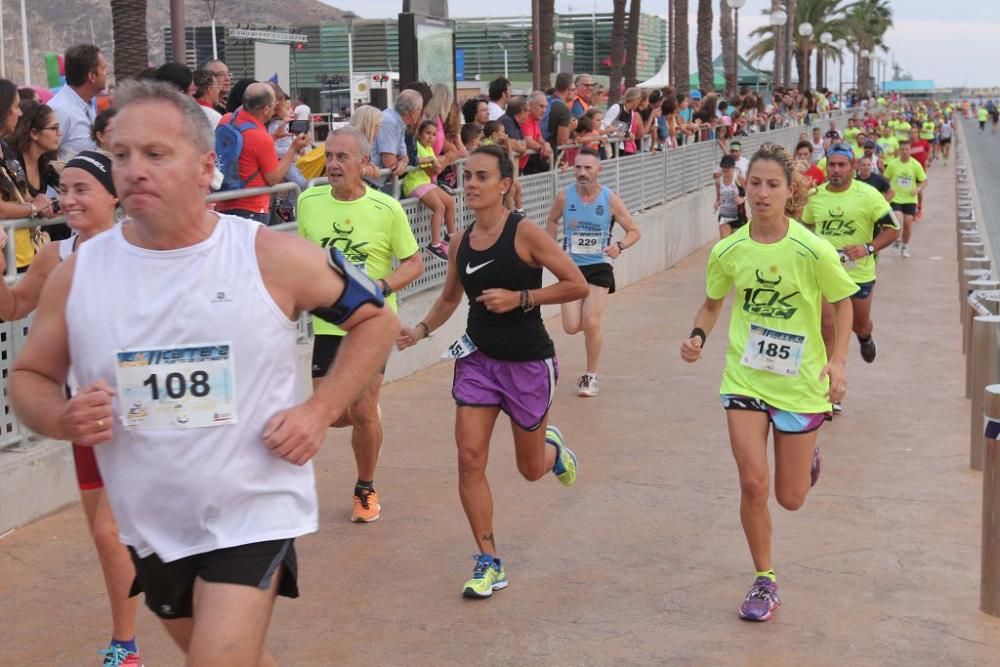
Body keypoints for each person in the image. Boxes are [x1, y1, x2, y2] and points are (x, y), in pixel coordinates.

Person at [8, 79, 398, 666]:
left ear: (204, 166)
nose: (134, 169)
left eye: (156, 154)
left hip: (252, 508)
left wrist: (319, 410)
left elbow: (376, 321)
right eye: (122, 155)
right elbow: (30, 376)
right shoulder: (78, 274)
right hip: (154, 524)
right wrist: (62, 416)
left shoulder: (267, 257)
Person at [396, 145, 587, 598]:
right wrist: (420, 330)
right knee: (468, 457)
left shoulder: (526, 234)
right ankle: (489, 560)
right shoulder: (460, 241)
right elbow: (448, 299)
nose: (471, 185)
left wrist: (521, 299)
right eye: (467, 177)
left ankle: (552, 452)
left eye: (482, 176)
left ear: (505, 185)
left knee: (529, 469)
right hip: (478, 361)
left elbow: (576, 282)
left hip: (527, 364)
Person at [680, 142, 856, 623]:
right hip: (745, 378)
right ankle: (765, 579)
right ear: (744, 187)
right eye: (754, 183)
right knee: (753, 483)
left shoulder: (811, 248)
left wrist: (838, 362)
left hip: (800, 385)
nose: (761, 193)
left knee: (790, 498)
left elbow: (843, 302)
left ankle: (808, 454)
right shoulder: (728, 249)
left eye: (772, 184)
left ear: (789, 190)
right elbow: (713, 303)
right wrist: (697, 336)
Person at [0, 151, 144, 666]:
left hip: (147, 415)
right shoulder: (55, 254)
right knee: (107, 540)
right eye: (64, 189)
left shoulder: (142, 249)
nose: (69, 199)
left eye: (83, 188)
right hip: (87, 416)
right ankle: (125, 644)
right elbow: (13, 307)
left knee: (113, 531)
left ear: (114, 195)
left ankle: (139, 640)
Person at [297, 126, 423, 523]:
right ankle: (367, 413)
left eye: (342, 158)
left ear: (363, 163)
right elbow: (305, 259)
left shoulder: (387, 209)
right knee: (332, 413)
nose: (332, 164)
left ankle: (365, 488)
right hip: (328, 323)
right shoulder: (309, 201)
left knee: (364, 409)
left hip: (371, 322)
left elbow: (414, 263)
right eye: (329, 156)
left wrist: (381, 286)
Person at [545, 148, 640, 396]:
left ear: (599, 170)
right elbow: (552, 220)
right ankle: (572, 351)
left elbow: (634, 231)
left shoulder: (609, 199)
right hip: (570, 267)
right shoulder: (564, 197)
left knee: (591, 321)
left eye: (587, 168)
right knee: (571, 325)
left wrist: (619, 246)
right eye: (578, 167)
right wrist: (551, 249)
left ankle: (590, 376)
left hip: (599, 265)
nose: (582, 173)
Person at [801, 143, 899, 378]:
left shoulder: (869, 195)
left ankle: (865, 337)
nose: (836, 170)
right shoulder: (815, 196)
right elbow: (805, 227)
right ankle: (831, 383)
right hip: (826, 273)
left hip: (859, 273)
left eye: (842, 165)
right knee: (828, 329)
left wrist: (868, 248)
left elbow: (893, 229)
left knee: (859, 324)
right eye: (832, 165)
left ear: (852, 166)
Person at [215, 82, 311, 223]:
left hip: (223, 200)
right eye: (273, 107)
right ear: (266, 109)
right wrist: (294, 149)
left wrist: (274, 137)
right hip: (251, 208)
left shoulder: (227, 119)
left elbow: (247, 152)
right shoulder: (260, 137)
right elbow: (274, 178)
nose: (275, 111)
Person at [0, 82, 52, 272]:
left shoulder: (6, 149)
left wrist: (41, 202)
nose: (20, 113)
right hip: (6, 260)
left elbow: (20, 193)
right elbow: (2, 209)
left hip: (26, 253)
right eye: (15, 106)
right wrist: (33, 207)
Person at [401, 119, 457, 261]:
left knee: (450, 201)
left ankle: (451, 236)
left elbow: (430, 174)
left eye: (433, 134)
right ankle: (435, 244)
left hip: (425, 182)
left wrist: (437, 167)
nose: (430, 137)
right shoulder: (417, 146)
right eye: (427, 133)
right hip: (414, 184)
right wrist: (434, 162)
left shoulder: (430, 149)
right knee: (439, 207)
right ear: (419, 134)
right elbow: (418, 161)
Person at [49, 44, 109, 160]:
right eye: (104, 69)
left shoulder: (89, 103)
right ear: (92, 76)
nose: (107, 73)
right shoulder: (60, 111)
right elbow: (46, 157)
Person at [883, 139, 927, 258]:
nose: (904, 152)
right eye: (902, 150)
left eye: (907, 149)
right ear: (899, 151)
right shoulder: (893, 164)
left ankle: (905, 246)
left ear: (910, 150)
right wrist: (886, 192)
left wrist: (917, 190)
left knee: (908, 223)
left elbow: (924, 181)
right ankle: (897, 240)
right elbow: (885, 179)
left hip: (910, 199)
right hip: (896, 198)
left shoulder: (915, 164)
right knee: (898, 221)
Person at [373, 90, 422, 192]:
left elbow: (405, 157)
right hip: (366, 184)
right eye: (420, 110)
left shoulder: (399, 123)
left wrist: (402, 163)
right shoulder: (389, 121)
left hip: (374, 183)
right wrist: (401, 163)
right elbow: (390, 162)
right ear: (415, 112)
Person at [714, 154, 747, 238]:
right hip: (724, 215)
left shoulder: (740, 178)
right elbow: (718, 198)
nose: (725, 171)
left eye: (727, 169)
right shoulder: (718, 182)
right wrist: (716, 203)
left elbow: (751, 193)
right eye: (723, 169)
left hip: (739, 216)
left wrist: (743, 199)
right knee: (725, 242)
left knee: (737, 244)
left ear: (733, 167)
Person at [545, 73, 576, 152]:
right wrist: (570, 128)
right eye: (573, 89)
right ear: (568, 89)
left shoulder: (545, 100)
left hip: (535, 146)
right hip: (548, 153)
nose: (575, 92)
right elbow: (561, 141)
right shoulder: (563, 109)